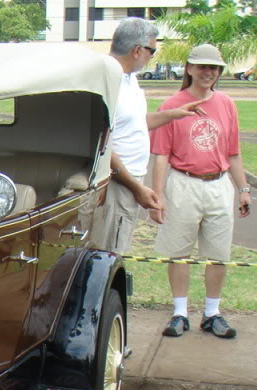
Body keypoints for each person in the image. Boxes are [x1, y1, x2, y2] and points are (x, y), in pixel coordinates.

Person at [150, 43, 251, 340]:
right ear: (190, 69)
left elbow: (233, 153)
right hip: (183, 182)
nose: (209, 73)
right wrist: (157, 197)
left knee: (218, 253)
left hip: (218, 184)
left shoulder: (226, 104)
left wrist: (243, 189)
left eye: (214, 68)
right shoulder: (172, 105)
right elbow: (161, 155)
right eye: (202, 66)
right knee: (179, 252)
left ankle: (212, 313)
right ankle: (180, 312)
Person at [91, 18, 206, 255]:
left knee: (119, 245)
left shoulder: (129, 79)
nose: (152, 56)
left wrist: (174, 114)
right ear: (137, 50)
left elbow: (135, 123)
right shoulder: (107, 81)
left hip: (130, 179)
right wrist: (136, 187)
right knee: (110, 251)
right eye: (151, 51)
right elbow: (102, 143)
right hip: (117, 183)